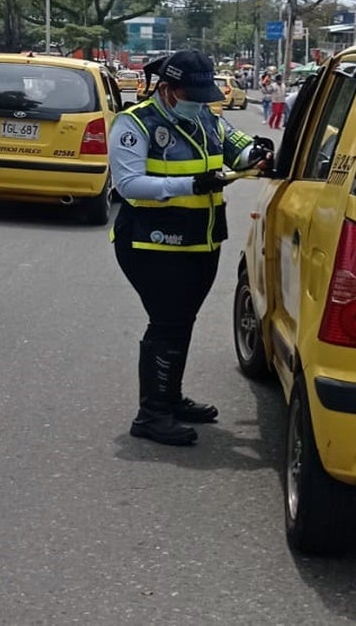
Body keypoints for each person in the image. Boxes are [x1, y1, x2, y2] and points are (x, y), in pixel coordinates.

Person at [110, 50, 274, 446]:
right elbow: (129, 185)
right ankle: (152, 413)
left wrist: (258, 152)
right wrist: (191, 184)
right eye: (191, 93)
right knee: (167, 322)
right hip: (151, 242)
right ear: (166, 89)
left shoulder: (207, 117)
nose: (199, 101)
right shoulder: (134, 124)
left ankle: (170, 397)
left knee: (182, 321)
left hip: (202, 239)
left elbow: (238, 148)